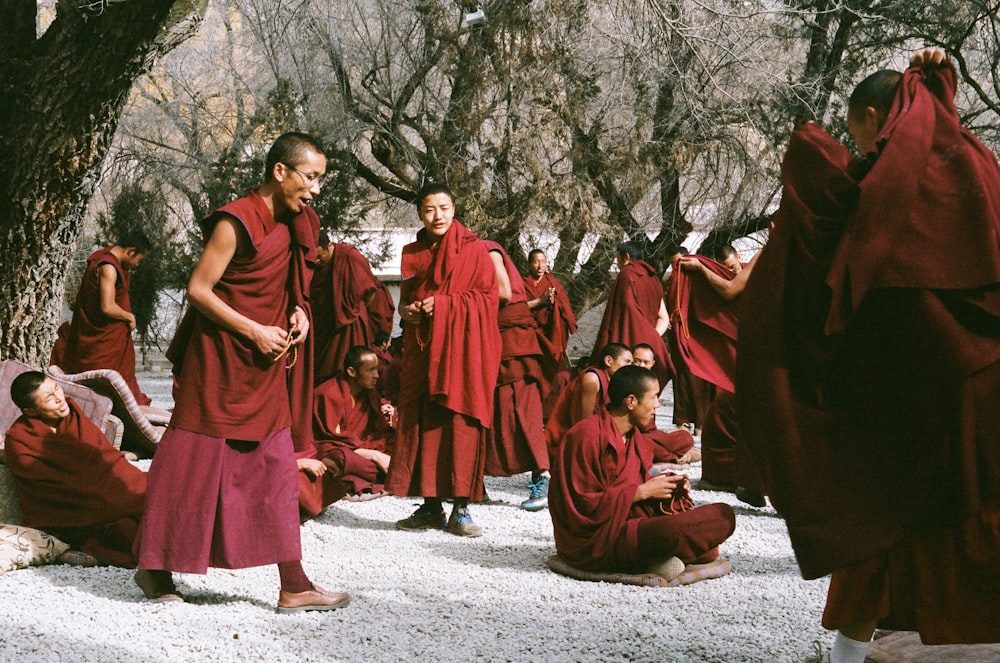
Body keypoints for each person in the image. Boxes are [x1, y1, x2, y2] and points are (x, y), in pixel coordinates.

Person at [737, 48, 1000, 660]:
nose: (861, 151)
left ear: (878, 116)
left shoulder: (890, 183)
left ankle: (846, 657)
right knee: (976, 519)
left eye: (860, 135)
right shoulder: (978, 162)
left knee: (880, 513)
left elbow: (845, 252)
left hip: (914, 380)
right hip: (985, 380)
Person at [136, 132, 350, 613]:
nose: (316, 189)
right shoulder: (236, 222)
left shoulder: (301, 221)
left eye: (320, 180)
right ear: (281, 172)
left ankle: (294, 583)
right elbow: (198, 290)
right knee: (188, 464)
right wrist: (254, 331)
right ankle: (153, 566)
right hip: (218, 361)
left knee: (275, 464)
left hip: (264, 368)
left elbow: (296, 282)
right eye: (310, 178)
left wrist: (299, 310)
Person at [385, 183, 501, 537]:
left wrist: (446, 306)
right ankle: (431, 507)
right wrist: (411, 312)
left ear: (454, 210)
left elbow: (489, 299)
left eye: (444, 208)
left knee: (459, 423)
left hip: (463, 355)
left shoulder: (474, 251)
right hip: (422, 349)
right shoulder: (411, 253)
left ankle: (461, 508)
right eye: (430, 209)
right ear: (420, 213)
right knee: (422, 423)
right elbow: (404, 302)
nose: (438, 216)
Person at [548, 365, 735, 580]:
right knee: (691, 540)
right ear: (630, 401)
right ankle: (654, 555)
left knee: (723, 514)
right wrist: (641, 493)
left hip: (630, 523)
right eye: (654, 397)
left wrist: (668, 487)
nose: (658, 405)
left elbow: (637, 485)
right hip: (595, 540)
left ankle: (651, 556)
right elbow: (580, 506)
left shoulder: (634, 436)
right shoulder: (585, 436)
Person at [4, 371, 178, 597]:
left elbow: (105, 460)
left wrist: (118, 489)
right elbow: (54, 488)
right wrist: (109, 496)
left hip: (112, 491)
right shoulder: (20, 440)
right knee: (131, 533)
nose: (59, 398)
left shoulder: (73, 415)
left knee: (153, 513)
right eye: (49, 398)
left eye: (56, 389)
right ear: (30, 411)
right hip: (74, 513)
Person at [482, 241, 550, 512]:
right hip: (494, 336)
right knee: (497, 411)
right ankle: (474, 481)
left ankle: (542, 475)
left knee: (524, 409)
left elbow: (503, 291)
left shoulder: (487, 249)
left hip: (512, 341)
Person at [50, 231, 152, 406]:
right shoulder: (109, 267)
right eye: (138, 259)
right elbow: (107, 306)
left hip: (110, 336)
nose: (136, 265)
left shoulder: (106, 258)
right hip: (103, 339)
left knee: (115, 377)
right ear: (131, 251)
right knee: (104, 378)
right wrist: (129, 316)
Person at [313, 345, 395, 500]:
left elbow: (379, 430)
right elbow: (332, 441)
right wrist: (375, 456)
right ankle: (388, 475)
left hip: (362, 447)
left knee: (400, 449)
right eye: (370, 370)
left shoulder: (369, 393)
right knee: (340, 459)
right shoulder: (328, 394)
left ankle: (380, 473)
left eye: (377, 369)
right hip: (337, 451)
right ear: (351, 372)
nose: (376, 375)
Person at [589, 241, 671, 390]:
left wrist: (639, 339)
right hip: (647, 351)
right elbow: (664, 318)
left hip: (627, 345)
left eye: (618, 260)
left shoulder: (627, 274)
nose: (618, 264)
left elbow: (627, 311)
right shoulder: (653, 279)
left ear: (626, 257)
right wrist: (650, 341)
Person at [311, 234, 381, 385]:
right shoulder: (313, 265)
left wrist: (353, 309)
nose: (316, 261)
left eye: (319, 256)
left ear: (329, 246)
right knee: (322, 373)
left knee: (350, 370)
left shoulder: (350, 257)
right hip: (325, 326)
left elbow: (369, 290)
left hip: (350, 324)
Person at [544, 342, 632, 457]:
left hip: (596, 435)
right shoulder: (593, 379)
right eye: (627, 362)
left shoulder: (612, 383)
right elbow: (585, 423)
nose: (631, 367)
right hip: (571, 439)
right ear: (608, 361)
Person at [630, 343, 699, 465]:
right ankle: (676, 457)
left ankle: (669, 454)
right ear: (631, 361)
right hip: (633, 434)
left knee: (685, 437)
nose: (641, 365)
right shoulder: (624, 380)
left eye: (646, 362)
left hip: (651, 434)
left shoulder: (651, 381)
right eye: (637, 361)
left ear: (653, 364)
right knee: (642, 444)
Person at [522, 249, 578, 398]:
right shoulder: (522, 283)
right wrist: (541, 301)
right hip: (530, 333)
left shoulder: (552, 282)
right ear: (529, 264)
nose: (541, 266)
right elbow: (519, 307)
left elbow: (564, 307)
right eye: (536, 261)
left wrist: (554, 304)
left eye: (544, 261)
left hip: (549, 332)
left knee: (549, 369)